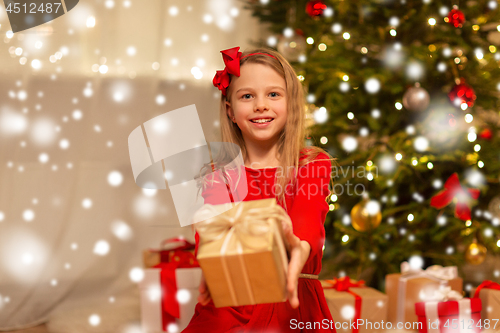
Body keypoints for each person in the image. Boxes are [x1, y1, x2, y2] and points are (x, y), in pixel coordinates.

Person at [183, 46, 337, 333]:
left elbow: (308, 224)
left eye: (273, 94)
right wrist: (208, 228)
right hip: (233, 306)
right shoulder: (220, 175)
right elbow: (212, 241)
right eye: (247, 96)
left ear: (291, 105)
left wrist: (296, 250)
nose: (261, 105)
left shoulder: (311, 164)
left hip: (292, 307)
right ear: (231, 111)